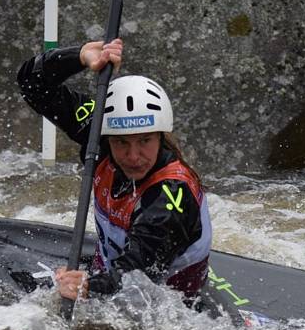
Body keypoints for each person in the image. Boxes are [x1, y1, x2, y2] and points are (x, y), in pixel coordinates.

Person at [17, 39, 212, 305]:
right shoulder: (97, 133)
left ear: (160, 136)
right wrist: (81, 57)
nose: (133, 156)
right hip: (109, 269)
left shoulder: (171, 197)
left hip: (167, 307)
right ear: (108, 137)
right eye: (122, 142)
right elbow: (32, 84)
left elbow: (136, 275)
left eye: (144, 141)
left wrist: (86, 286)